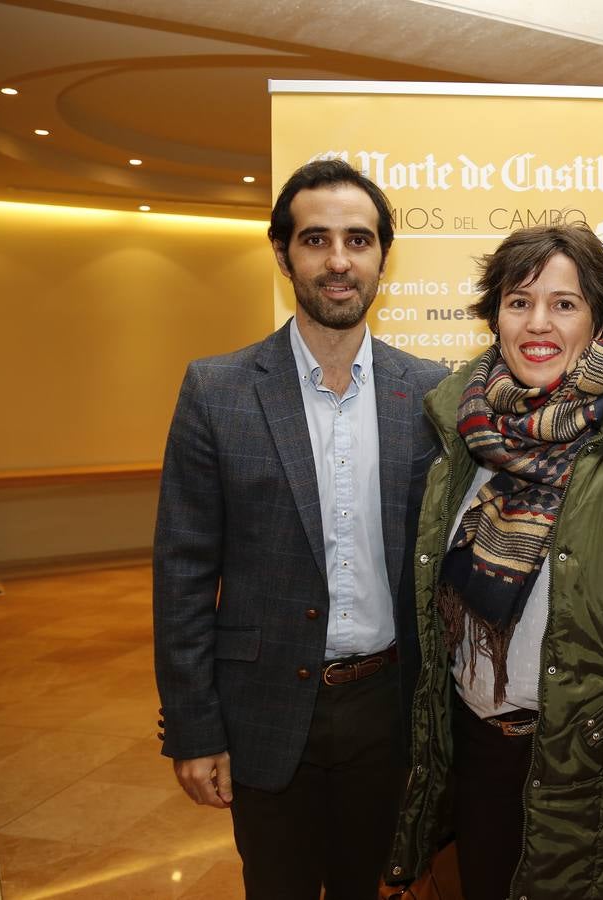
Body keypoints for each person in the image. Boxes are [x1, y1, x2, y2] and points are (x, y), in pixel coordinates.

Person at [384, 223, 603, 900]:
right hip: (475, 751)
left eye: (564, 304)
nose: (539, 323)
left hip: (593, 768)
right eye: (519, 301)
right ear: (494, 316)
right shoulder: (458, 437)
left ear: (596, 320)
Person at [153, 158, 448, 899]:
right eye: (316, 240)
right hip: (264, 709)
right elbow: (183, 574)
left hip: (387, 707)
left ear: (384, 254)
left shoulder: (431, 392)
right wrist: (195, 730)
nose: (339, 260)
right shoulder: (216, 391)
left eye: (359, 239)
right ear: (282, 252)